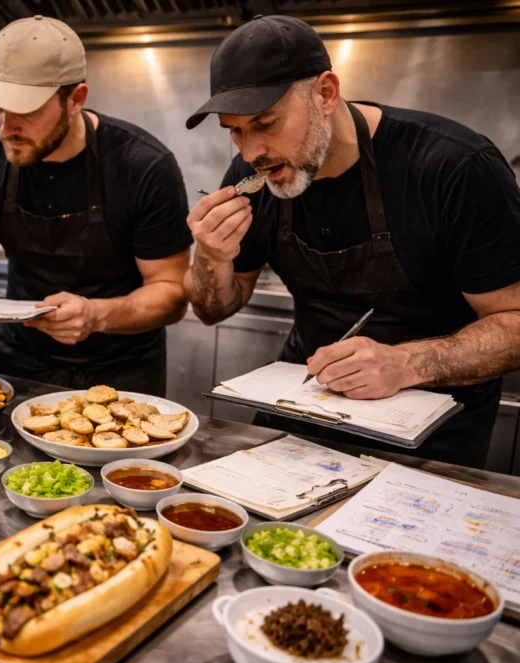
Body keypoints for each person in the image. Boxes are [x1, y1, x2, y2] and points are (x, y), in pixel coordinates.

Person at [183, 15, 520, 466]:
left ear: (325, 93)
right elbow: (213, 308)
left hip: (429, 440)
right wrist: (210, 257)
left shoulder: (453, 168)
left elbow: (515, 322)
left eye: (266, 123)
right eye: (235, 131)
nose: (249, 153)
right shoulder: (257, 174)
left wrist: (406, 364)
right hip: (301, 416)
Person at [0, 16, 192, 395]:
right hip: (20, 363)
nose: (6, 128)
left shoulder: (143, 165)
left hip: (123, 372)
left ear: (76, 99)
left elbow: (171, 294)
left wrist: (96, 315)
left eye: (26, 110)